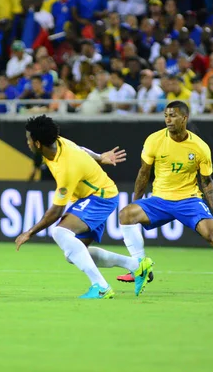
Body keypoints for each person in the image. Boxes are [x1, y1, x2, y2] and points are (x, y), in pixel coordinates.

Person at [115, 101, 213, 294]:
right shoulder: (154, 140)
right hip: (160, 200)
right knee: (126, 214)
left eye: (173, 115)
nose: (168, 119)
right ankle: (141, 267)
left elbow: (207, 182)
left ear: (185, 118)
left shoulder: (199, 147)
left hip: (189, 200)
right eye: (166, 115)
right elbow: (143, 173)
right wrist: (136, 201)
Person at [15, 115, 154, 299]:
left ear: (38, 143)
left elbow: (56, 211)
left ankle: (101, 287)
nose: (28, 143)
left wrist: (30, 232)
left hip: (99, 197)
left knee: (60, 233)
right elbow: (81, 149)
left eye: (29, 139)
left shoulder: (67, 166)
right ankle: (137, 266)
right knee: (74, 253)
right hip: (93, 197)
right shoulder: (58, 143)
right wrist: (100, 157)